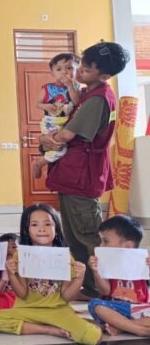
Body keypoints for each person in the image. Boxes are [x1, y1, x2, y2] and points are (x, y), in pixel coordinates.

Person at [41, 42, 130, 298]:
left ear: (104, 75)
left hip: (81, 173)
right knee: (74, 234)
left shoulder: (98, 99)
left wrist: (50, 139)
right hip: (74, 173)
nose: (78, 71)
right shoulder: (90, 92)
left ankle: (109, 290)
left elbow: (67, 135)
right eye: (80, 64)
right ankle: (90, 286)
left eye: (86, 69)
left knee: (88, 235)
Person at [0, 204, 101, 345]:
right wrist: (11, 274)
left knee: (92, 336)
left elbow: (67, 296)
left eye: (48, 224)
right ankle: (49, 330)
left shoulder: (65, 257)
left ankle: (60, 325)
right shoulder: (20, 255)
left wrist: (80, 277)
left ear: (56, 229)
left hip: (58, 311)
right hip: (27, 311)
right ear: (26, 230)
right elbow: (22, 294)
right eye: (34, 224)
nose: (41, 229)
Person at [88, 215, 150, 337]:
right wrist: (96, 271)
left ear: (127, 246)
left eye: (105, 241)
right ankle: (141, 329)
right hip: (113, 308)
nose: (100, 246)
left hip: (139, 309)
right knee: (95, 304)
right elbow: (104, 290)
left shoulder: (143, 260)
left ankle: (122, 327)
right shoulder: (104, 262)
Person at [32, 53, 81, 180]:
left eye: (69, 68)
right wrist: (46, 106)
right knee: (59, 148)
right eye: (59, 69)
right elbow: (38, 104)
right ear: (52, 73)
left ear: (76, 70)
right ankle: (39, 163)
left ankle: (45, 163)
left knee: (62, 147)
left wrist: (70, 86)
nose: (64, 72)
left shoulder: (75, 87)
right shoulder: (48, 88)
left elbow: (76, 102)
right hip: (51, 121)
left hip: (65, 122)